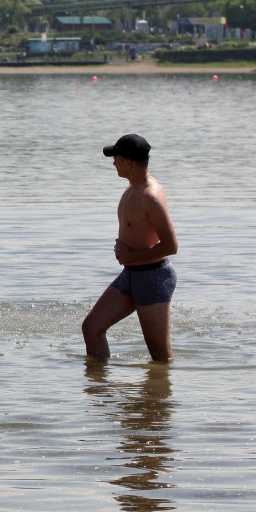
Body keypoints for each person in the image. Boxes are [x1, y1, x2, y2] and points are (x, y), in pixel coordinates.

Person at [82, 134, 178, 363]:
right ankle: (100, 392)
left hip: (153, 277)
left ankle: (158, 397)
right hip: (130, 275)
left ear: (129, 163)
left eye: (116, 157)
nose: (113, 162)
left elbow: (171, 246)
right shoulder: (131, 189)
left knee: (159, 356)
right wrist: (127, 255)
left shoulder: (149, 195)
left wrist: (131, 255)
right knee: (91, 328)